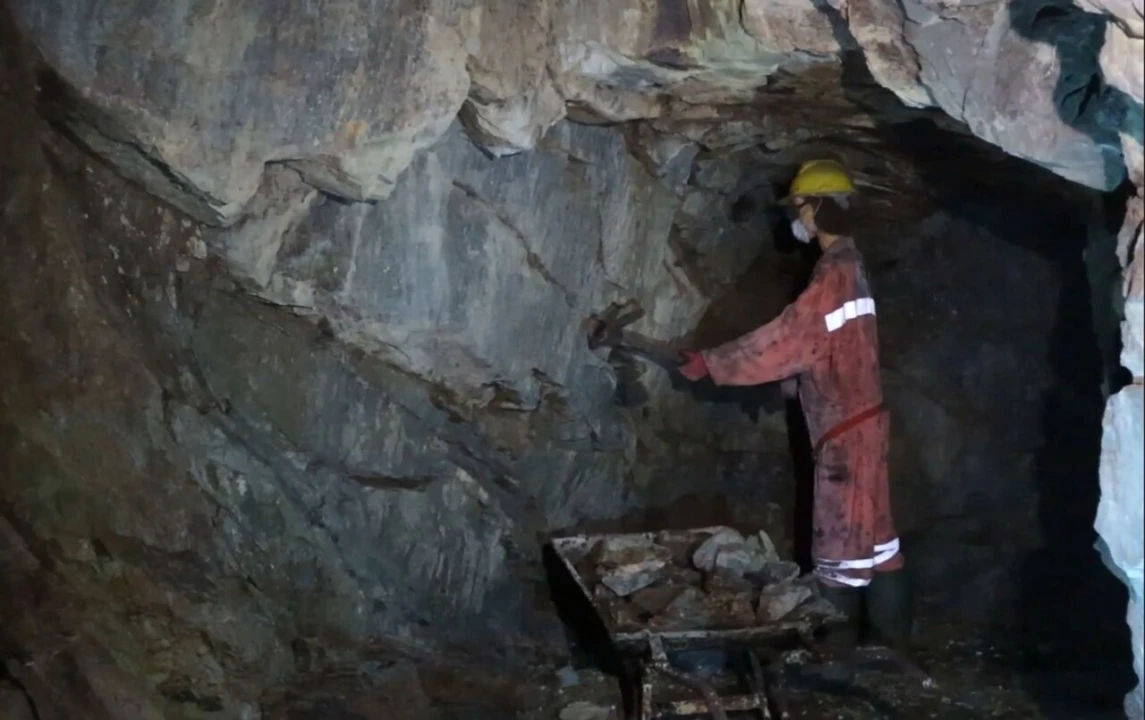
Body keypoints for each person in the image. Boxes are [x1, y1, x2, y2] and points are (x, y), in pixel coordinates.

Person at [677, 159, 911, 652]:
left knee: (839, 553)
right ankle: (893, 652)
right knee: (880, 547)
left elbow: (788, 340)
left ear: (819, 208)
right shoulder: (853, 264)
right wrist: (797, 385)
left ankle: (835, 663)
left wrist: (714, 363)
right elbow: (835, 347)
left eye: (801, 207)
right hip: (868, 427)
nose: (797, 218)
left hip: (845, 441)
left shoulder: (831, 275)